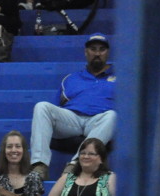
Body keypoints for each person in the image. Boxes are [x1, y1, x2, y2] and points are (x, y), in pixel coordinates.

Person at [28, 33, 116, 179]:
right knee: (42, 106)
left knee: (112, 116)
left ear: (107, 52)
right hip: (72, 119)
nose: (97, 53)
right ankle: (39, 165)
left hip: (100, 121)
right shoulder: (71, 78)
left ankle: (76, 164)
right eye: (93, 49)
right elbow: (56, 107)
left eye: (102, 49)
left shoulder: (120, 77)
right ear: (86, 52)